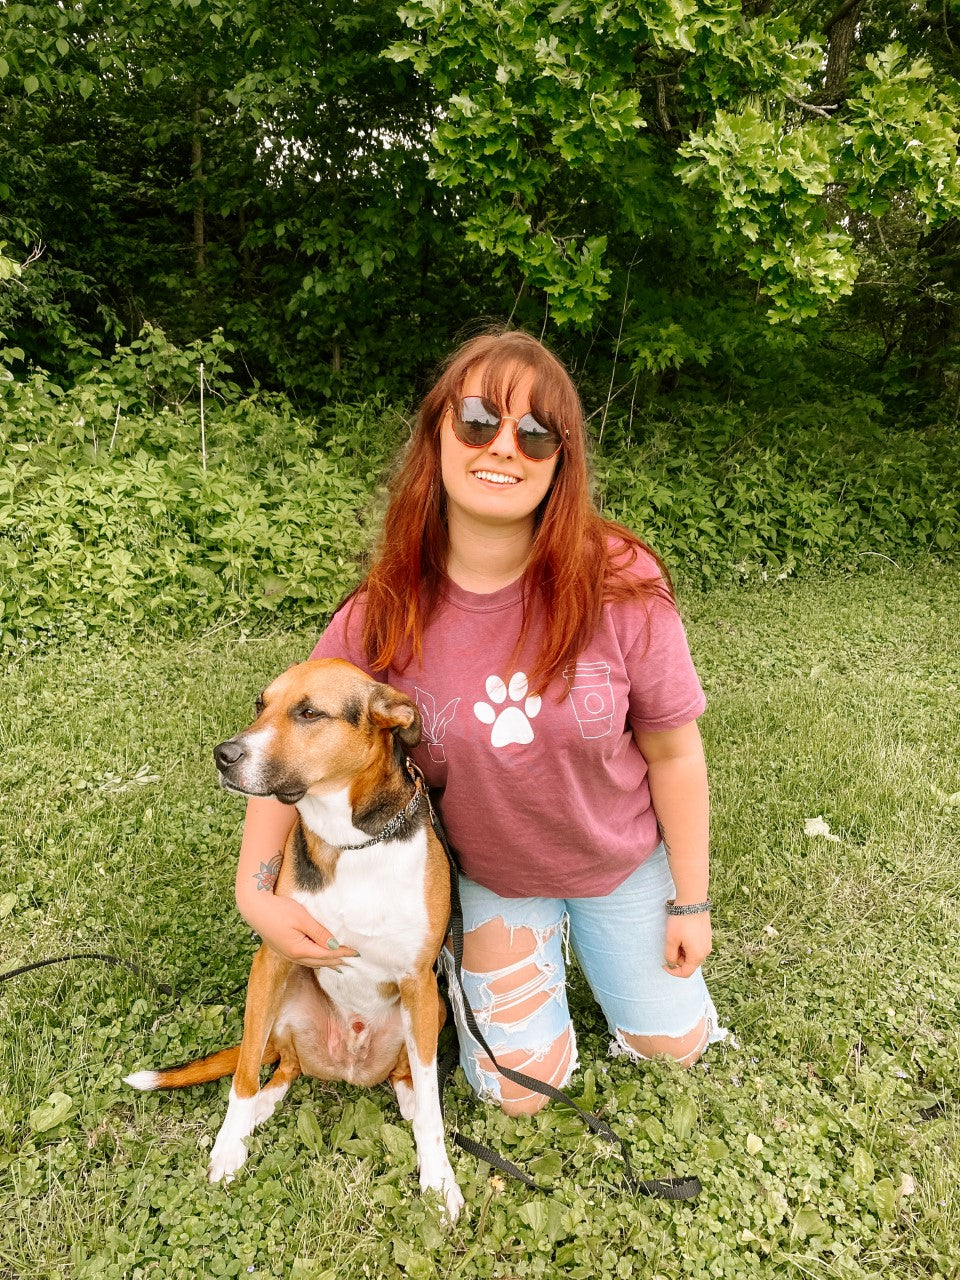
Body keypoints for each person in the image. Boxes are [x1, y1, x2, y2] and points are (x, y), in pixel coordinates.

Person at [234, 328, 723, 1116]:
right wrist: (259, 895)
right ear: (438, 433)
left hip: (620, 863)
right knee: (517, 1092)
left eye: (536, 433)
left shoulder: (623, 581)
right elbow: (288, 743)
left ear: (562, 459)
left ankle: (602, 940)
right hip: (493, 878)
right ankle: (523, 949)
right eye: (477, 420)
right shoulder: (383, 612)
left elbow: (674, 754)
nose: (505, 447)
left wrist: (690, 903)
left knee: (677, 1048)